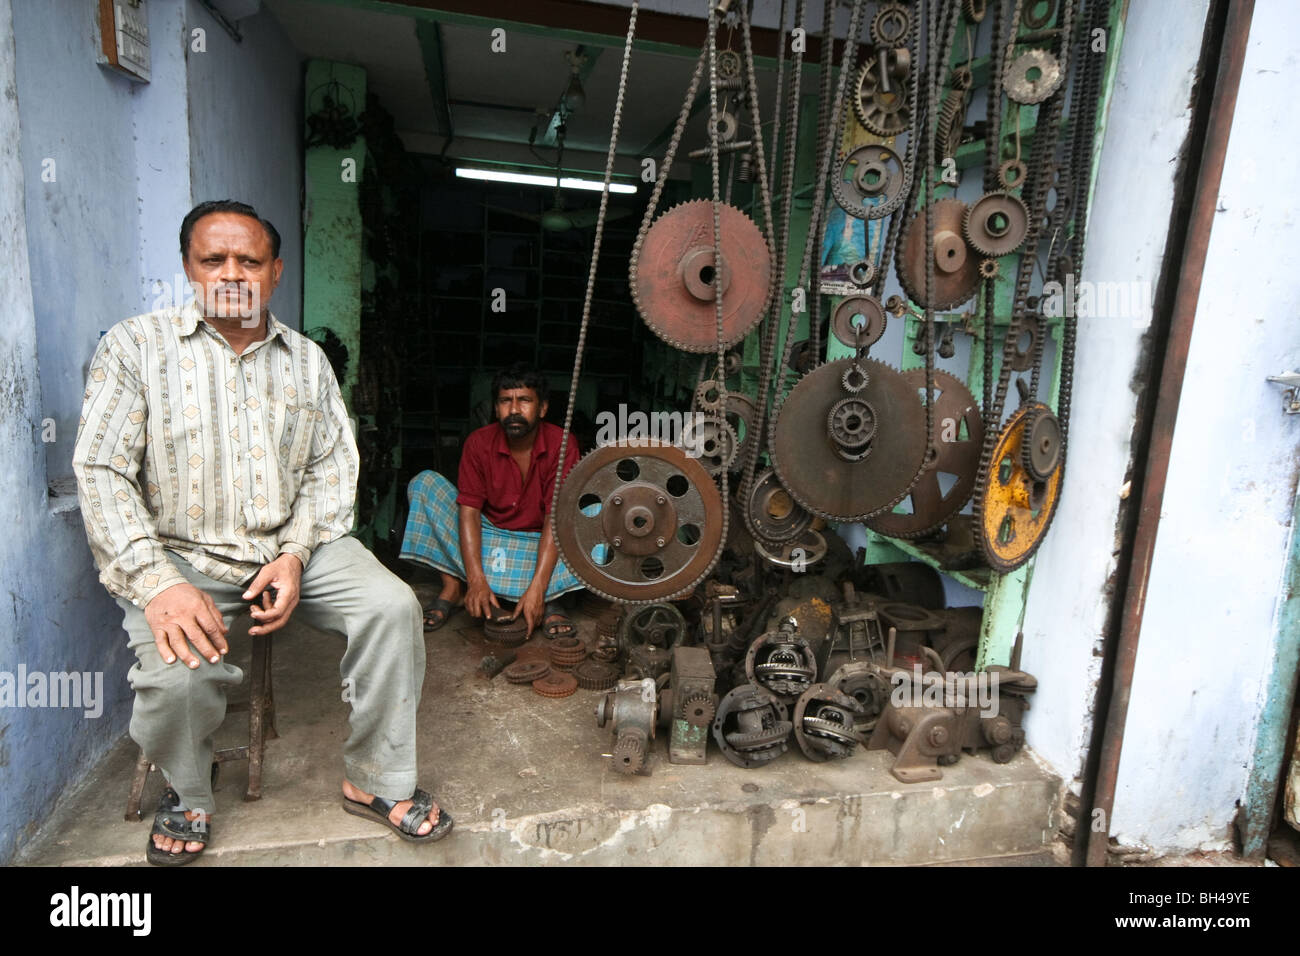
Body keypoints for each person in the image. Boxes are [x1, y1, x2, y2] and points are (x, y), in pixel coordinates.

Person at [73, 199, 450, 865]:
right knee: (179, 677)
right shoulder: (135, 349)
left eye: (249, 260)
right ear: (187, 267)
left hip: (289, 544)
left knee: (392, 607)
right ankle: (190, 790)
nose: (231, 274)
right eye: (212, 259)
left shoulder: (306, 362)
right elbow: (102, 473)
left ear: (275, 272)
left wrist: (298, 552)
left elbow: (332, 470)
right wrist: (159, 585)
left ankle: (373, 781)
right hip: (178, 557)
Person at [402, 364, 584, 637]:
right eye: (504, 401)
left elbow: (555, 518)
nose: (513, 410)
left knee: (597, 513)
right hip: (490, 539)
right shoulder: (479, 442)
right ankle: (454, 588)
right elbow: (469, 512)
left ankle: (547, 595)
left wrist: (537, 587)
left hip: (540, 543)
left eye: (524, 401)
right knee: (424, 483)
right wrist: (476, 580)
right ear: (496, 407)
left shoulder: (563, 444)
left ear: (542, 408)